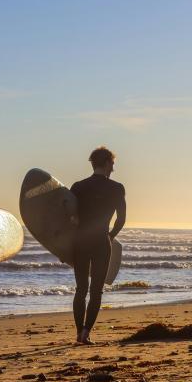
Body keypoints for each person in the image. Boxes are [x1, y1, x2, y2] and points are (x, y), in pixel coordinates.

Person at [70, 147, 126, 345]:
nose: (114, 167)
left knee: (81, 289)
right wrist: (110, 236)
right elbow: (121, 219)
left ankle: (78, 333)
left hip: (80, 242)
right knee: (96, 291)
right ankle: (86, 333)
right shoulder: (117, 188)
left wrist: (63, 246)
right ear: (108, 163)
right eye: (113, 163)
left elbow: (68, 219)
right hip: (102, 242)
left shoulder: (78, 187)